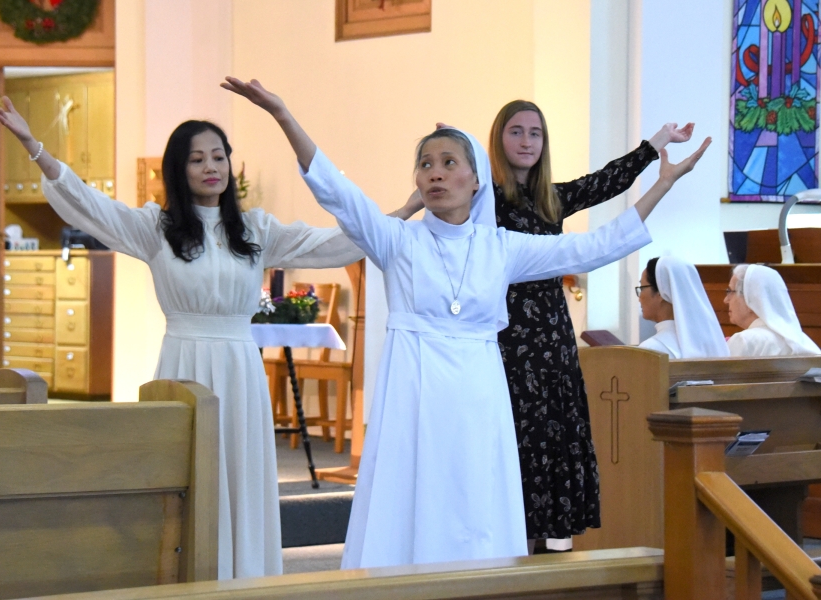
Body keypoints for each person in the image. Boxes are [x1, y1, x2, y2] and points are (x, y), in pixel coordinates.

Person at [222, 76, 710, 568]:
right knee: (415, 491)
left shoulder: (502, 248)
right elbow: (338, 193)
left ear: (476, 181)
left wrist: (662, 185)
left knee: (476, 497)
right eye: (425, 165)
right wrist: (283, 115)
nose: (434, 174)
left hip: (481, 393)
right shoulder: (398, 241)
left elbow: (594, 247)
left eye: (448, 163)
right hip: (416, 390)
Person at [0, 97, 423, 580]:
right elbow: (89, 205)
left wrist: (404, 210)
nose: (211, 166)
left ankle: (245, 577)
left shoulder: (255, 229)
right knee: (186, 474)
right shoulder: (156, 228)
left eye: (218, 156)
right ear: (179, 168)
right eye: (197, 158)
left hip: (238, 365)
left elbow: (334, 242)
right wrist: (32, 144)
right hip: (183, 365)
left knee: (240, 474)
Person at [486, 100, 697, 542]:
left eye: (535, 133)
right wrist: (456, 151)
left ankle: (546, 544)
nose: (526, 141)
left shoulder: (551, 198)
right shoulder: (484, 198)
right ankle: (506, 543)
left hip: (551, 333)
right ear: (498, 139)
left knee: (553, 431)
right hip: (505, 333)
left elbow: (604, 182)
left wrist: (656, 145)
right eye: (516, 132)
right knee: (512, 435)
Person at [636, 256, 729, 358]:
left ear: (661, 292)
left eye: (642, 288)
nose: (639, 297)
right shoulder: (713, 344)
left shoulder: (650, 350)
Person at [725, 264, 821, 356]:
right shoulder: (803, 343)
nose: (726, 300)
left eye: (730, 291)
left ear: (750, 298)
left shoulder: (743, 341)